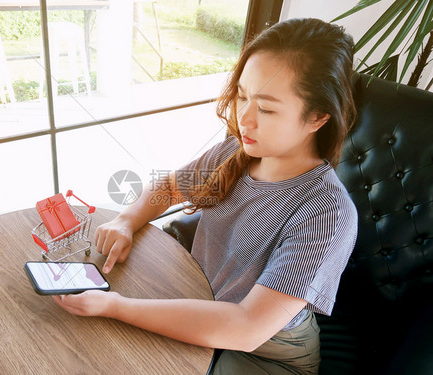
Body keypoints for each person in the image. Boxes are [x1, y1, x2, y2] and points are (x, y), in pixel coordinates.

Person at [53, 17, 358, 374]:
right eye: (243, 95)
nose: (244, 118)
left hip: (265, 350)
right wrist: (126, 220)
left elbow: (246, 329)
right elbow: (168, 187)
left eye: (267, 108)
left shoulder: (328, 213)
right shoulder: (235, 152)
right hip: (196, 299)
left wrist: (116, 307)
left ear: (318, 117)